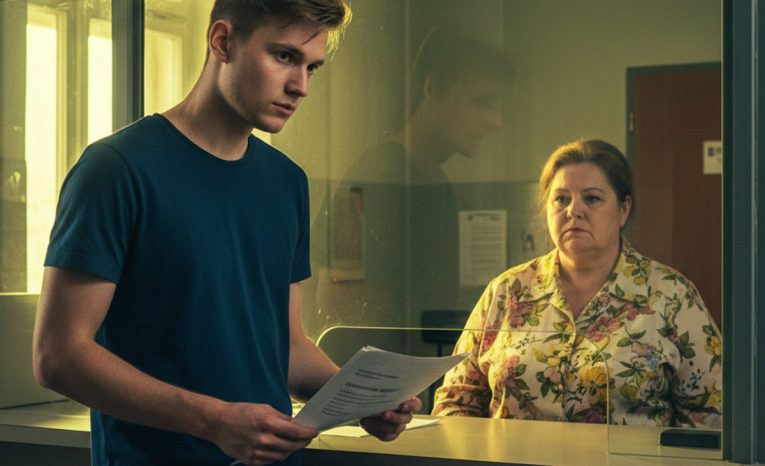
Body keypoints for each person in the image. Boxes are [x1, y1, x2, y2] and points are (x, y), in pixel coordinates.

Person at [32, 1, 420, 465]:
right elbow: (59, 356)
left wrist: (366, 399)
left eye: (312, 67)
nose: (300, 86)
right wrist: (214, 421)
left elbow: (286, 345)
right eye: (284, 56)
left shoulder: (287, 182)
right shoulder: (116, 170)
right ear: (222, 41)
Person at [432, 139, 722, 427]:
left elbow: (711, 415)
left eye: (592, 198)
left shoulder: (671, 296)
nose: (574, 211)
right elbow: (456, 400)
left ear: (623, 209)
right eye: (561, 199)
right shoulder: (507, 291)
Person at [306, 24, 511, 334]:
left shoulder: (436, 183)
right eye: (482, 101)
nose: (496, 121)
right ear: (433, 89)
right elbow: (336, 300)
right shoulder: (377, 175)